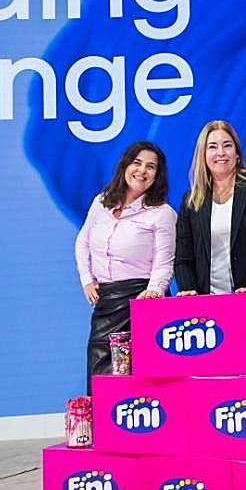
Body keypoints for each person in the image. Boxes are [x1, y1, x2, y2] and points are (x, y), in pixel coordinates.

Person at [75, 141, 177, 392]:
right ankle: (103, 428)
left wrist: (154, 291)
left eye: (150, 167)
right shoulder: (102, 202)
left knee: (142, 378)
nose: (142, 171)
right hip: (106, 301)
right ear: (125, 165)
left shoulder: (162, 213)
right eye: (137, 162)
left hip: (143, 299)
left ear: (157, 177)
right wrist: (87, 279)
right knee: (100, 375)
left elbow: (165, 261)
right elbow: (83, 241)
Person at [174, 120, 246, 330]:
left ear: (237, 152)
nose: (221, 152)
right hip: (207, 317)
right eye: (212, 146)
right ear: (203, 154)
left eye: (227, 145)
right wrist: (189, 289)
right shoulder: (190, 201)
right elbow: (183, 258)